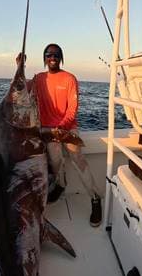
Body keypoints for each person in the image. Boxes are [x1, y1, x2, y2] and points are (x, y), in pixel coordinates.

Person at [17, 44, 102, 227]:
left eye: (56, 54)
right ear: (45, 58)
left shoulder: (70, 78)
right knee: (55, 163)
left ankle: (95, 199)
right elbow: (20, 88)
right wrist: (20, 67)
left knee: (79, 162)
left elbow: (72, 108)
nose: (52, 57)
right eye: (48, 54)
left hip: (67, 130)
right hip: (48, 132)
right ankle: (61, 185)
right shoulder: (39, 78)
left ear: (61, 57)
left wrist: (61, 128)